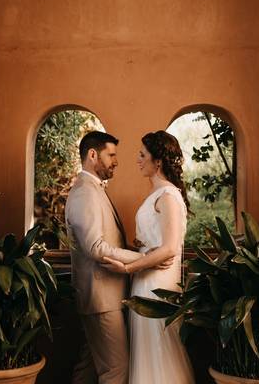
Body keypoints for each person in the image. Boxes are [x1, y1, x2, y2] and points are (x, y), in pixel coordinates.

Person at [101, 131, 195, 384]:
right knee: (148, 349)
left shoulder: (167, 196)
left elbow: (170, 248)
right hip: (147, 279)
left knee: (159, 349)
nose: (137, 159)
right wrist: (141, 249)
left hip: (157, 285)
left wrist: (127, 268)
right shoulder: (159, 194)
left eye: (143, 155)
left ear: (158, 162)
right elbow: (157, 245)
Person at [66, 131, 147, 384]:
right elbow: (95, 247)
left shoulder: (93, 189)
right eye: (110, 155)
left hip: (105, 295)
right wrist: (141, 256)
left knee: (88, 367)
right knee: (116, 370)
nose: (116, 161)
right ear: (93, 155)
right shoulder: (84, 192)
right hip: (101, 298)